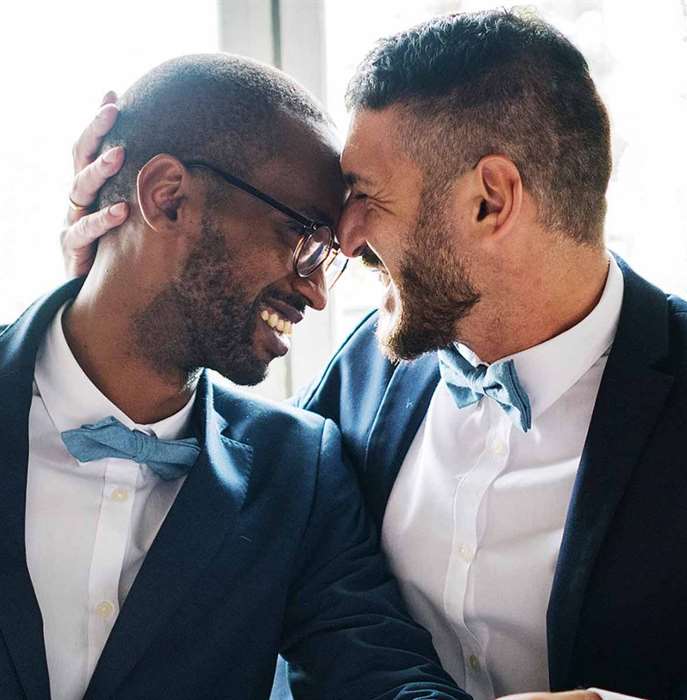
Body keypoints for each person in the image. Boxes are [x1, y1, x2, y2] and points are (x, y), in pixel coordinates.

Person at [62, 10, 687, 700]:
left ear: (490, 201)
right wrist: (118, 284)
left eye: (364, 196)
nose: (344, 235)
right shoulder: (367, 368)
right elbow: (216, 515)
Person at [1, 53, 471, 700]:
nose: (316, 292)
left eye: (328, 260)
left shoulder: (301, 471)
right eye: (304, 238)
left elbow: (380, 677)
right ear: (168, 199)